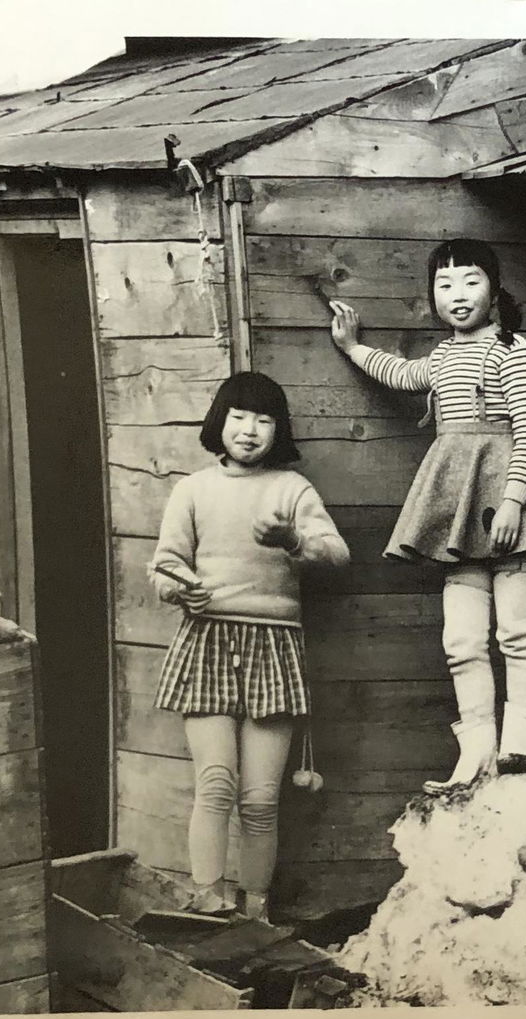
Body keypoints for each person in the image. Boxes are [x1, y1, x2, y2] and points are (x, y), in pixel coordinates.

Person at [327, 239, 526, 794]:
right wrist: (353, 347)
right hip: (459, 507)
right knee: (461, 640)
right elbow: (401, 374)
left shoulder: (512, 351)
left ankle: (520, 739)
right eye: (444, 285)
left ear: (494, 289)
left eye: (471, 282)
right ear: (432, 295)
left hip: (508, 505)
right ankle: (477, 747)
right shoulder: (441, 357)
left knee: (518, 630)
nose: (457, 295)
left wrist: (512, 500)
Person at [147, 371, 349, 922]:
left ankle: (255, 913)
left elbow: (337, 554)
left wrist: (293, 539)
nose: (250, 429)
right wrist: (178, 590)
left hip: (274, 647)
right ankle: (208, 902)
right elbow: (165, 567)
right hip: (208, 641)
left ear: (278, 430)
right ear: (220, 422)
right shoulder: (193, 489)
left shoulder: (292, 490)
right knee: (215, 784)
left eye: (264, 419)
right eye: (238, 416)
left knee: (260, 799)